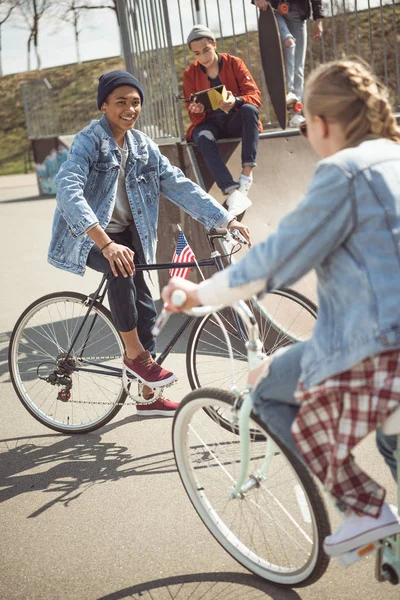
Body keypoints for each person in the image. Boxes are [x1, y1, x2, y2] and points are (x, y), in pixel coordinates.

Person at [162, 59, 400, 555]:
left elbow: (276, 259)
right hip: (380, 338)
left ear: (322, 124)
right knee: (389, 441)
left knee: (267, 388)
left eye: (302, 125)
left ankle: (364, 509)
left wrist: (197, 294)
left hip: (380, 347)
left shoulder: (345, 171)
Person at [48, 69, 250, 417]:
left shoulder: (142, 146)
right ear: (104, 105)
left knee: (146, 308)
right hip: (89, 234)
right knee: (120, 269)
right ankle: (134, 356)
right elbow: (67, 188)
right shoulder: (89, 141)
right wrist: (105, 243)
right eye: (121, 102)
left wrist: (224, 219)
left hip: (129, 233)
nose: (130, 109)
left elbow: (178, 184)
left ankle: (147, 396)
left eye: (136, 102)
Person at [183, 25, 263, 217]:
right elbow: (193, 115)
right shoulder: (190, 74)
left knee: (249, 109)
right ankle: (231, 191)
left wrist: (235, 100)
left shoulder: (234, 63)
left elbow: (255, 96)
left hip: (235, 119)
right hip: (211, 123)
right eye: (197, 53)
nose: (203, 57)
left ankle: (246, 175)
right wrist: (197, 109)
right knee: (201, 135)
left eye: (206, 50)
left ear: (214, 44)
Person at [253, 0, 323, 126]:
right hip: (274, 10)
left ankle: (295, 113)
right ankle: (288, 94)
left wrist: (318, 19)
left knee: (298, 67)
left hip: (299, 14)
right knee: (289, 42)